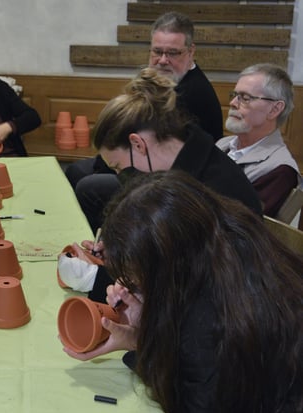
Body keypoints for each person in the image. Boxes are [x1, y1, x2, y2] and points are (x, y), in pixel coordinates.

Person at [62, 170, 303, 413]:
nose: (128, 287)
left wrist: (147, 339)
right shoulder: (232, 243)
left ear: (165, 268)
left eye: (137, 280)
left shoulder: (212, 322)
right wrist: (140, 336)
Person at [57, 67, 261, 303]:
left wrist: (97, 276)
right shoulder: (188, 152)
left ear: (138, 144)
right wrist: (118, 253)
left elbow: (176, 279)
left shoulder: (204, 192)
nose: (122, 175)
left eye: (118, 167)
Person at [65, 11, 223, 191]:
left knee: (88, 183)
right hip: (146, 158)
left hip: (178, 182)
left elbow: (152, 148)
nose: (163, 60)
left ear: (191, 51)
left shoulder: (192, 93)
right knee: (77, 171)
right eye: (157, 51)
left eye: (172, 53)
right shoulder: (168, 81)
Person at [217, 63, 301, 217]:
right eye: (235, 95)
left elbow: (241, 226)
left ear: (274, 109)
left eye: (245, 98)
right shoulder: (223, 144)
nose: (233, 103)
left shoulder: (280, 170)